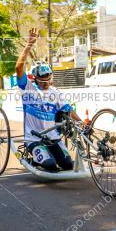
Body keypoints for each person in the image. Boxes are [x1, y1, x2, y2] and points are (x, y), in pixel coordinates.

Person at [15, 28, 80, 171]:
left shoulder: (55, 92)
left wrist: (82, 123)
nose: (46, 83)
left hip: (53, 137)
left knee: (68, 165)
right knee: (50, 166)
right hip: (34, 139)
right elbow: (19, 67)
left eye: (48, 80)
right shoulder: (28, 89)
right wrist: (29, 45)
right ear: (35, 79)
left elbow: (68, 110)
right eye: (42, 81)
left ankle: (51, 154)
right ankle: (34, 158)